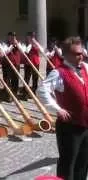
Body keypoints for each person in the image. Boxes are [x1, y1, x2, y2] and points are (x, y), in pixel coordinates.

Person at [37, 36, 88, 180]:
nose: (81, 55)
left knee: (83, 163)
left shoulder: (85, 67)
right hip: (69, 127)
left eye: (81, 52)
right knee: (68, 164)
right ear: (66, 54)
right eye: (77, 53)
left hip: (86, 125)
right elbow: (41, 90)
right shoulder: (58, 72)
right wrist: (57, 109)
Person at [2, 32, 22, 101]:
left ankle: (15, 95)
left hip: (16, 64)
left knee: (15, 80)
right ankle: (8, 96)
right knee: (7, 81)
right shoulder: (5, 44)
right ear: (8, 37)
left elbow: (23, 51)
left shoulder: (18, 44)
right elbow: (5, 52)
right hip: (8, 65)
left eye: (14, 37)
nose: (12, 38)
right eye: (11, 37)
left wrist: (17, 45)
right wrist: (11, 46)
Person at [22, 32, 43, 97]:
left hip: (36, 63)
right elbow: (27, 51)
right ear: (27, 37)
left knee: (35, 78)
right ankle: (25, 93)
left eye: (33, 37)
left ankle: (34, 92)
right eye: (30, 37)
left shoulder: (36, 44)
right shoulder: (25, 44)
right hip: (28, 64)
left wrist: (36, 43)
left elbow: (42, 50)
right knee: (27, 79)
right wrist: (31, 44)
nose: (31, 38)